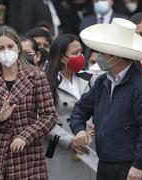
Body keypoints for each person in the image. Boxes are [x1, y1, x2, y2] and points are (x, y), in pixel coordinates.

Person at [70, 18, 142, 180]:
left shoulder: (141, 86)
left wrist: (138, 165)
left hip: (130, 165)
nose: (98, 57)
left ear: (116, 57)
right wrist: (79, 129)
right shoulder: (102, 82)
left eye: (103, 53)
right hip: (105, 163)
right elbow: (80, 108)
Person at [0, 26, 56, 179]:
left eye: (10, 46)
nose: (6, 51)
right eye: (1, 48)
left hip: (27, 157)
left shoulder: (36, 76)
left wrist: (25, 136)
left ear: (18, 48)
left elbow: (49, 116)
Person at [44, 34, 97, 180]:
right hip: (61, 149)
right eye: (75, 53)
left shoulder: (90, 78)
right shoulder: (46, 81)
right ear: (62, 57)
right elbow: (43, 120)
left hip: (90, 148)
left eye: (81, 51)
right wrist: (70, 141)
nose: (80, 56)